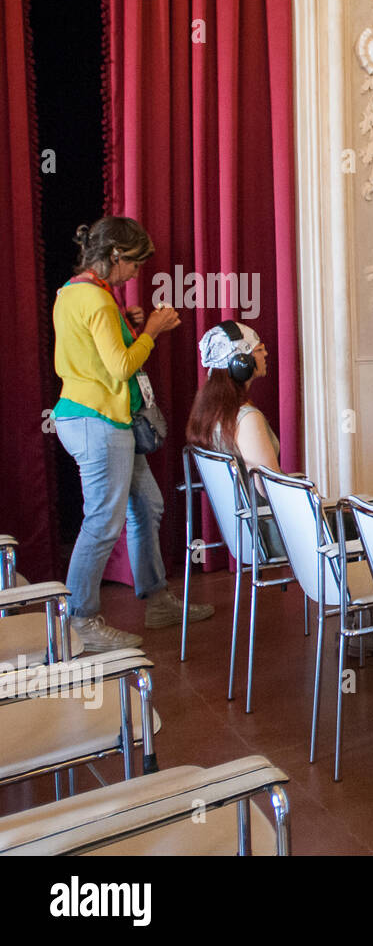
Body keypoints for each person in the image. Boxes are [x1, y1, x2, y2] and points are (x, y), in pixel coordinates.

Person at [52, 216, 215, 652]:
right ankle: (79, 621)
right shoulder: (98, 301)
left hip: (96, 416)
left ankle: (158, 600)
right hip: (98, 420)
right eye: (135, 265)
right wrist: (150, 332)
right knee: (103, 523)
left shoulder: (73, 292)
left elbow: (90, 349)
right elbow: (122, 367)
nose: (136, 274)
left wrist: (129, 323)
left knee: (148, 505)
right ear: (115, 256)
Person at [186, 321, 288, 558]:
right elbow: (269, 487)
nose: (266, 353)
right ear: (240, 363)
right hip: (271, 533)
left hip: (243, 533)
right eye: (259, 349)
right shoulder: (246, 419)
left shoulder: (209, 414)